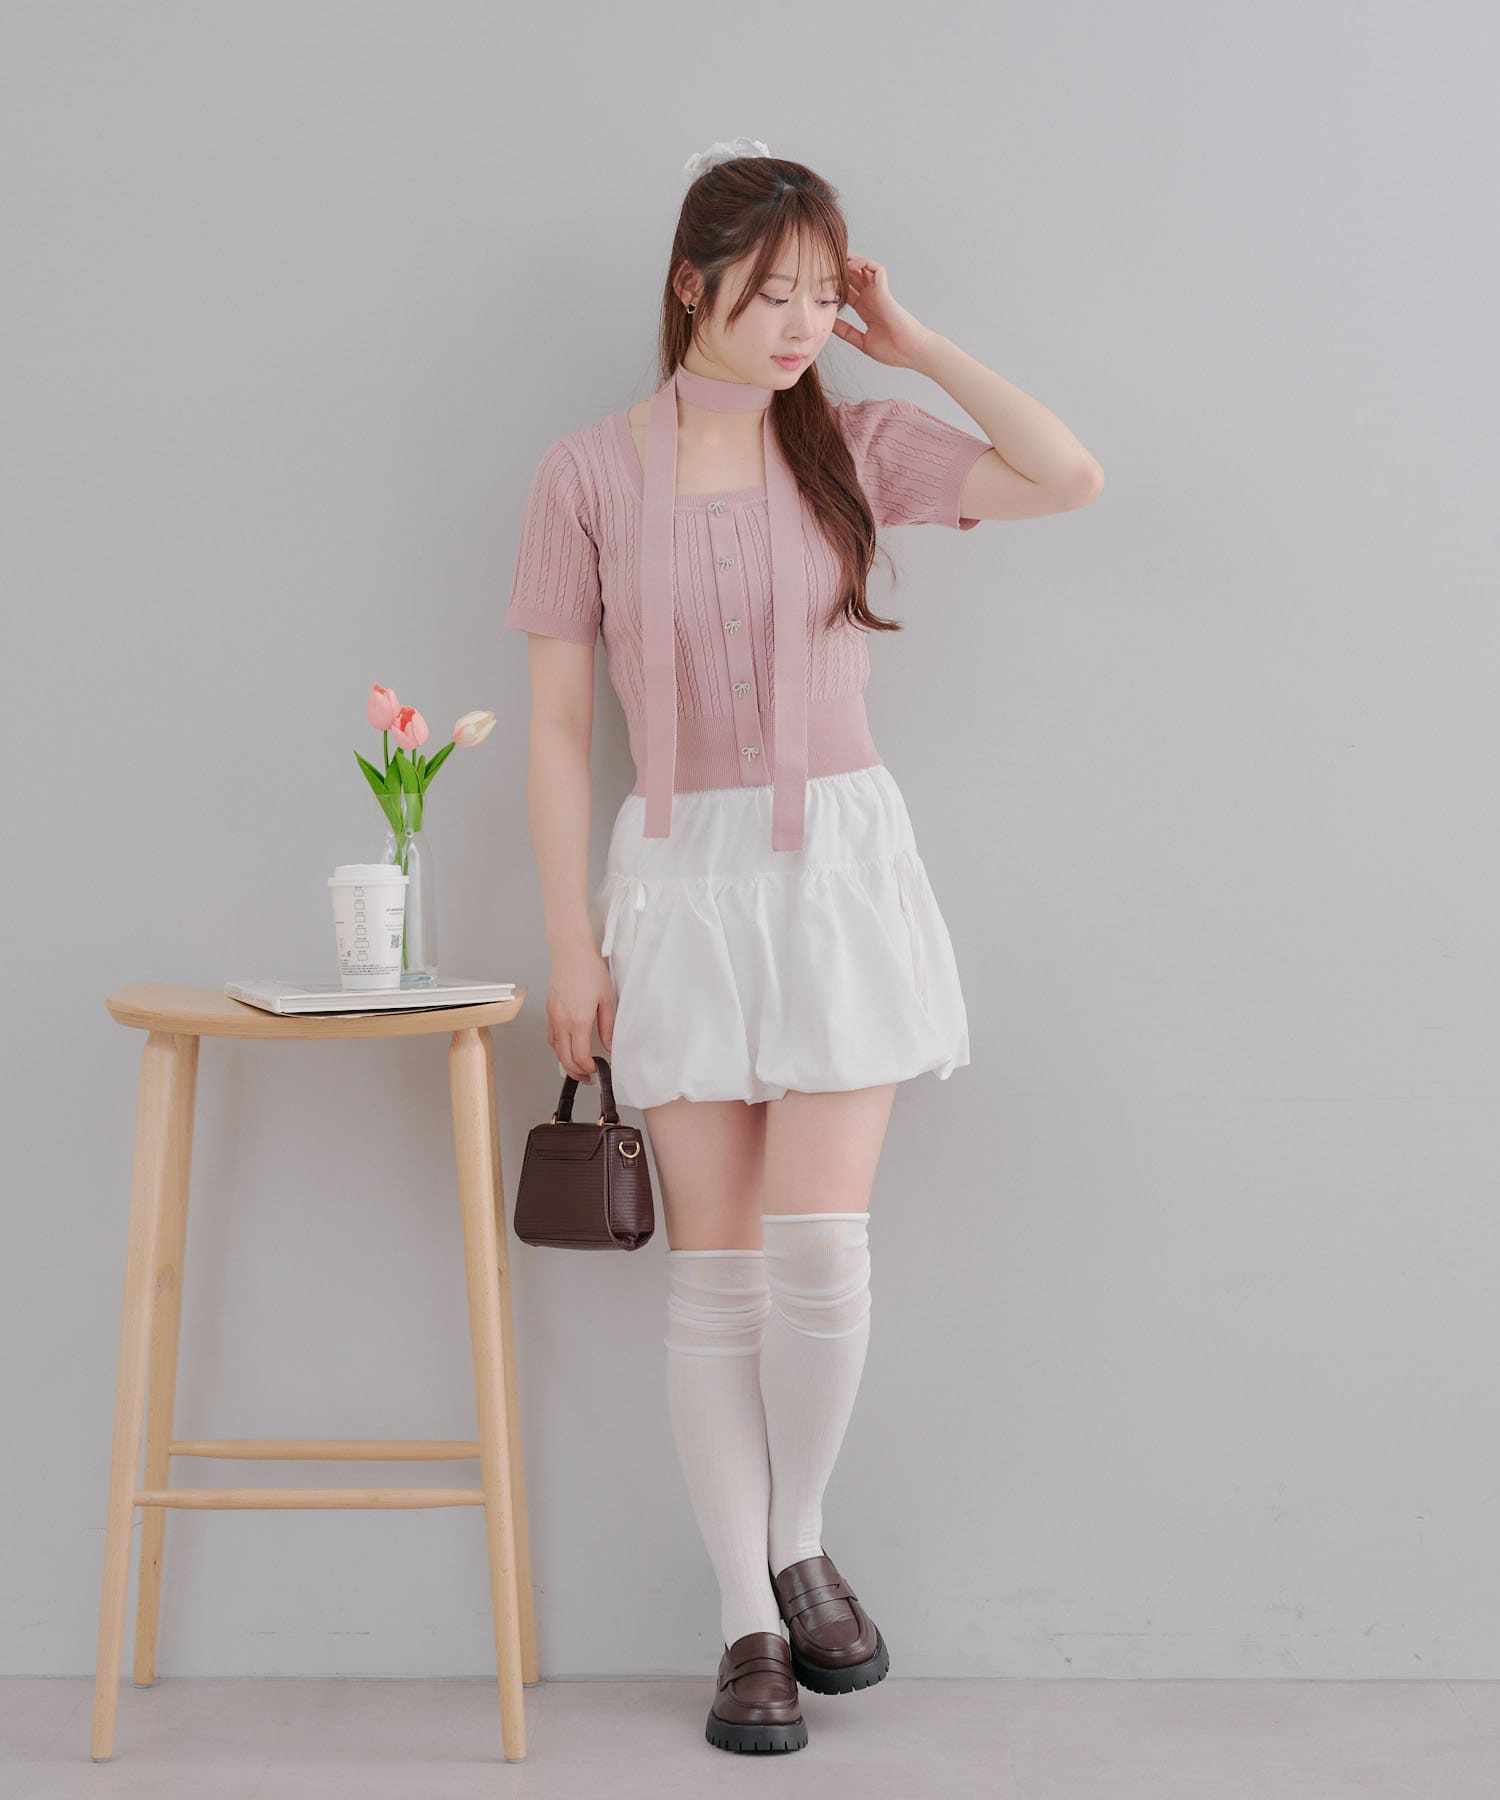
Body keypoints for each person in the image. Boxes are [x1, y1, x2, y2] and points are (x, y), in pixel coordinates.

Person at [504, 139, 1103, 1755]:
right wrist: (571, 942)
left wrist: (916, 344)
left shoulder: (852, 440)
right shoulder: (584, 474)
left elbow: (1066, 476)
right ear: (689, 284)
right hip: (674, 885)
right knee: (713, 1280)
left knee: (820, 1255)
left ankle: (800, 1532)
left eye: (823, 297)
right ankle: (747, 1625)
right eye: (774, 293)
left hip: (838, 869)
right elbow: (557, 730)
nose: (798, 325)